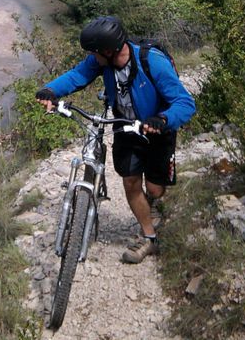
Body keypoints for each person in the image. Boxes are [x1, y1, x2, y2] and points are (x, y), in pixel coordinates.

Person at [35, 15, 196, 264]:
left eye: (94, 51)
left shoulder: (151, 62)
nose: (91, 56)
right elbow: (77, 75)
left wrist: (163, 120)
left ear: (109, 50)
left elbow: (185, 103)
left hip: (156, 129)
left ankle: (151, 200)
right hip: (124, 126)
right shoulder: (101, 61)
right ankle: (149, 237)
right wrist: (51, 90)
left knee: (155, 188)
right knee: (131, 182)